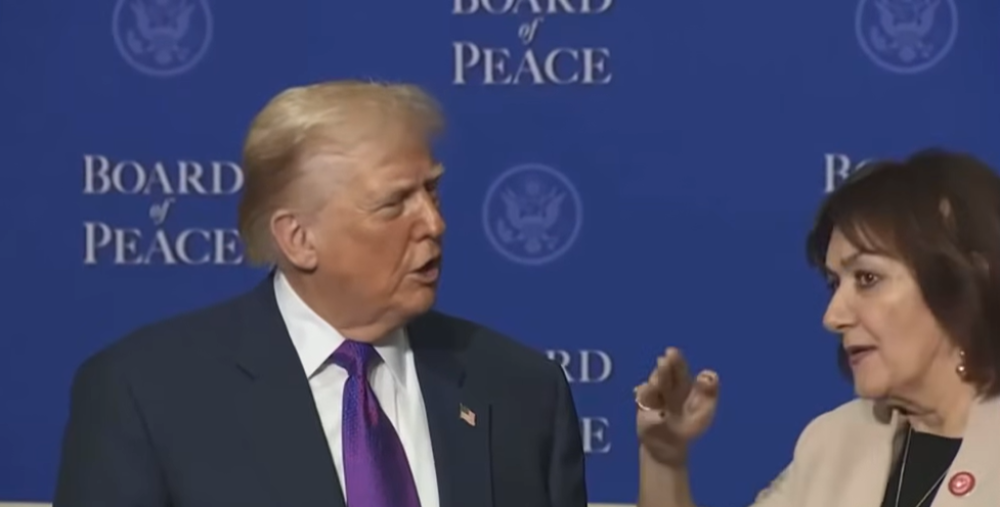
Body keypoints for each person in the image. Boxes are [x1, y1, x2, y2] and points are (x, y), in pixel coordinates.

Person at [53, 80, 587, 507]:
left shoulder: (521, 390)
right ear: (299, 239)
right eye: (394, 203)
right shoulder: (146, 395)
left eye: (432, 190)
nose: (434, 223)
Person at [633, 149, 1000, 507]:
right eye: (834, 283)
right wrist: (665, 459)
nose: (832, 317)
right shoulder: (833, 442)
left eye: (867, 278)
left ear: (965, 282)